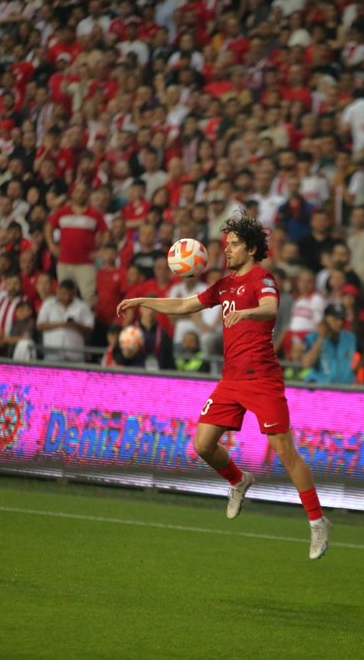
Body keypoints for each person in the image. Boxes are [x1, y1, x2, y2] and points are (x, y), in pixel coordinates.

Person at [116, 215, 331, 560]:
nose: (226, 250)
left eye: (232, 244)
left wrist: (246, 315)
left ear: (249, 247)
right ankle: (238, 480)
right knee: (202, 444)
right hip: (231, 380)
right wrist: (144, 301)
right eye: (226, 244)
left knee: (286, 453)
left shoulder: (263, 279)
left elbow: (270, 307)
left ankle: (318, 522)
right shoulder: (224, 285)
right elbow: (185, 305)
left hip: (262, 378)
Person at [37, 279, 94, 362]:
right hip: (52, 355)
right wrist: (61, 324)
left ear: (74, 292)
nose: (66, 297)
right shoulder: (48, 304)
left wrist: (75, 325)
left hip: (75, 356)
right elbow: (40, 325)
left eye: (70, 294)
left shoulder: (82, 306)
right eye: (64, 293)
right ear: (58, 290)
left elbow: (90, 329)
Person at [300, 304, 358, 385]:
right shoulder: (312, 337)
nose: (340, 322)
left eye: (342, 319)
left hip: (344, 390)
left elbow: (357, 362)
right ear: (326, 318)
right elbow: (306, 364)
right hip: (321, 390)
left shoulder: (350, 338)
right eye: (336, 318)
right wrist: (320, 338)